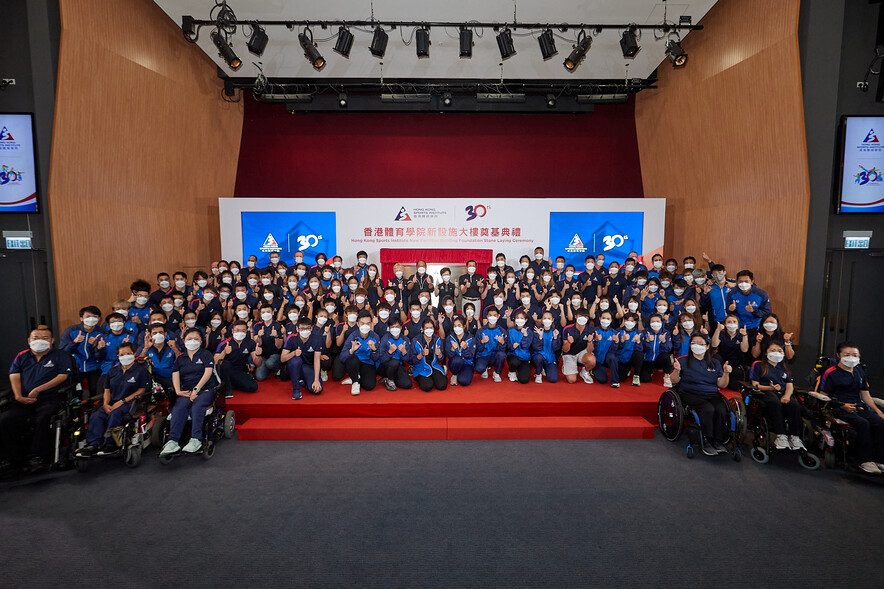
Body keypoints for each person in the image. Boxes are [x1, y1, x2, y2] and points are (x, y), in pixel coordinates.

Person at [0, 327, 73, 474]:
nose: (40, 340)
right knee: (6, 419)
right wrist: (18, 395)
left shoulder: (61, 355)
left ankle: (37, 457)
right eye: (36, 337)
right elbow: (14, 375)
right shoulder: (22, 356)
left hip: (50, 398)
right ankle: (11, 459)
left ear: (52, 341)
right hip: (23, 400)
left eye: (45, 338)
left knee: (43, 419)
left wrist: (39, 389)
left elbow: (62, 376)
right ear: (29, 340)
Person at [820, 341, 884, 474]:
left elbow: (866, 396)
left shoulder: (859, 371)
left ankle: (879, 459)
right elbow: (823, 397)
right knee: (863, 424)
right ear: (839, 355)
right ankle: (864, 460)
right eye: (847, 354)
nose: (851, 357)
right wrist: (841, 405)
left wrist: (878, 411)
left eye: (855, 354)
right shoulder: (831, 373)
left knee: (879, 422)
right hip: (837, 408)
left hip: (858, 407)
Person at [669, 334, 733, 456]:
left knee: (721, 409)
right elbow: (674, 381)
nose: (696, 346)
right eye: (693, 343)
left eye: (700, 343)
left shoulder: (714, 362)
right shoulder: (682, 360)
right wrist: (676, 370)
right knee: (707, 408)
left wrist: (726, 373)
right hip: (690, 393)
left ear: (707, 346)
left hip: (711, 393)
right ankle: (706, 439)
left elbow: (722, 384)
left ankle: (718, 440)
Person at [80, 342, 148, 454]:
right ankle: (94, 444)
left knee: (115, 414)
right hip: (112, 401)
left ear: (134, 353)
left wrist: (122, 401)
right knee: (97, 415)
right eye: (122, 355)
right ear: (118, 356)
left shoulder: (140, 370)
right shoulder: (112, 371)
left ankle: (110, 443)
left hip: (130, 402)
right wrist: (106, 404)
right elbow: (106, 390)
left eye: (128, 353)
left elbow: (141, 390)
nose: (125, 356)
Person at [160, 329, 216, 455]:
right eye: (189, 339)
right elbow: (175, 374)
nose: (192, 341)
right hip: (186, 391)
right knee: (179, 407)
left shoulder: (206, 354)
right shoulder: (180, 358)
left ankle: (196, 439)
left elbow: (208, 373)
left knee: (197, 407)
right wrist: (178, 391)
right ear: (184, 341)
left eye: (196, 339)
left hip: (205, 390)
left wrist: (196, 389)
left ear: (201, 341)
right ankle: (173, 441)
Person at [749, 342, 804, 451]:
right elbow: (754, 384)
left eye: (779, 351)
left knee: (795, 405)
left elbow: (789, 385)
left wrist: (787, 396)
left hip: (782, 393)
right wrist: (770, 388)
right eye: (773, 350)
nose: (776, 353)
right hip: (764, 392)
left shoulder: (784, 367)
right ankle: (781, 435)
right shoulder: (758, 365)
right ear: (766, 353)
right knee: (774, 402)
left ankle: (795, 437)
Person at [60, 305, 105, 395]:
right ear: (81, 318)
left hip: (95, 366)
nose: (91, 319)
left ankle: (95, 408)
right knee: (75, 392)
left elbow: (101, 356)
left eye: (95, 316)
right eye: (88, 316)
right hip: (76, 366)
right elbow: (63, 352)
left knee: (96, 390)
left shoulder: (102, 332)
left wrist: (94, 346)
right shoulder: (71, 330)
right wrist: (75, 342)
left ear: (99, 319)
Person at [214, 320, 261, 399]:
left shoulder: (250, 342)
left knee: (253, 387)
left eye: (243, 330)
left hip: (238, 371)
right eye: (237, 330)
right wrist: (224, 352)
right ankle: (228, 390)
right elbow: (215, 361)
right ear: (232, 331)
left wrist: (258, 355)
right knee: (225, 364)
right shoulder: (224, 343)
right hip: (224, 371)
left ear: (246, 331)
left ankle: (230, 385)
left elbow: (258, 363)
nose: (240, 333)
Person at [339, 311, 380, 396]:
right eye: (362, 323)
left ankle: (355, 378)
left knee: (369, 386)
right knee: (353, 360)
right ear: (357, 324)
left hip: (368, 364)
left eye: (368, 323)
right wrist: (351, 350)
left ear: (371, 324)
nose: (365, 326)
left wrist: (374, 350)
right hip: (354, 364)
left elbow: (376, 358)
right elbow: (342, 357)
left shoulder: (375, 337)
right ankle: (355, 382)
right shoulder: (353, 336)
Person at [280, 317, 323, 400]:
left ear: (311, 328)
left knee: (316, 390)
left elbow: (317, 359)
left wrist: (316, 380)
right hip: (292, 367)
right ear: (297, 329)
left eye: (307, 328)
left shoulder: (317, 339)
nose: (305, 331)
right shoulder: (291, 338)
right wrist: (293, 353)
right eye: (302, 328)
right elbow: (282, 358)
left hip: (307, 367)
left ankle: (304, 381)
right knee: (296, 360)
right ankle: (296, 390)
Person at [410, 318, 447, 392]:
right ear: (423, 329)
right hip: (420, 366)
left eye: (431, 328)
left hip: (434, 365)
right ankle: (423, 378)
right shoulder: (416, 340)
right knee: (427, 386)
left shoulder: (437, 339)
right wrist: (422, 354)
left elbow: (441, 359)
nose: (429, 330)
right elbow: (411, 360)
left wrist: (439, 354)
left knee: (442, 385)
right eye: (427, 328)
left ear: (434, 329)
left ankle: (435, 376)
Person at [376, 317, 412, 391]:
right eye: (392, 327)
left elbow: (407, 359)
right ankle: (389, 379)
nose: (395, 329)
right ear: (389, 328)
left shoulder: (405, 340)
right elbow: (381, 359)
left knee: (407, 384)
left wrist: (404, 352)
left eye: (397, 327)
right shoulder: (385, 338)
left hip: (398, 366)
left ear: (401, 327)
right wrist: (390, 352)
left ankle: (390, 378)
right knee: (395, 362)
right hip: (385, 366)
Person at [561, 308, 595, 384]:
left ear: (588, 318)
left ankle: (584, 372)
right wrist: (569, 343)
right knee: (572, 380)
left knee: (592, 360)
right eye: (580, 316)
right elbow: (565, 350)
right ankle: (567, 365)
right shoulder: (567, 329)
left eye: (585, 317)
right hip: (569, 353)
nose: (583, 318)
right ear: (575, 316)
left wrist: (590, 342)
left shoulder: (591, 330)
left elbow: (590, 351)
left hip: (582, 352)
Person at [474, 307, 507, 382]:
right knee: (479, 368)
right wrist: (482, 342)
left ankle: (496, 373)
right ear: (487, 316)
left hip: (495, 356)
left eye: (494, 315)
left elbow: (503, 350)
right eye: (490, 315)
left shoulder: (502, 331)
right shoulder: (481, 331)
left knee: (501, 355)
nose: (492, 317)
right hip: (483, 356)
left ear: (498, 316)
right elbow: (478, 349)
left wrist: (502, 343)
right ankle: (484, 368)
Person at [640, 313, 673, 386]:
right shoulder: (645, 332)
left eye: (657, 321)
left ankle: (667, 376)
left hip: (659, 360)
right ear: (649, 323)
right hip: (647, 360)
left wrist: (664, 342)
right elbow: (642, 349)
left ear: (661, 322)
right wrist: (647, 342)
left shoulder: (666, 333)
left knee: (665, 356)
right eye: (653, 322)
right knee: (644, 379)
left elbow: (668, 349)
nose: (655, 323)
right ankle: (650, 371)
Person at [531, 311, 562, 384]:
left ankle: (545, 368)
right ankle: (538, 373)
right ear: (541, 320)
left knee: (553, 379)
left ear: (552, 320)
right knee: (538, 358)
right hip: (539, 356)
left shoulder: (555, 332)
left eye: (549, 318)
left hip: (550, 358)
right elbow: (536, 347)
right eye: (545, 318)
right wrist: (540, 337)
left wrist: (555, 338)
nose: (547, 320)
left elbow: (556, 348)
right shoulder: (537, 331)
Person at [506, 310, 535, 384]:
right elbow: (507, 345)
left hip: (525, 358)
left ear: (526, 320)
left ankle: (520, 369)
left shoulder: (529, 332)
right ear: (515, 319)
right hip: (513, 355)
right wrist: (512, 346)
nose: (519, 320)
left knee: (524, 380)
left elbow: (526, 346)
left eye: (522, 318)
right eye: (517, 318)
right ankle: (512, 371)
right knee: (514, 362)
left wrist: (525, 336)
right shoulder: (510, 330)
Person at [446, 316, 476, 387]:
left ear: (464, 326)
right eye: (455, 326)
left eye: (459, 325)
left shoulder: (471, 338)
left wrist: (465, 348)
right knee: (457, 360)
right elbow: (449, 355)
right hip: (455, 363)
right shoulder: (450, 338)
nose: (457, 328)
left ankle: (463, 373)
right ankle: (454, 374)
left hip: (467, 363)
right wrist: (452, 349)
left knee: (464, 382)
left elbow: (471, 355)